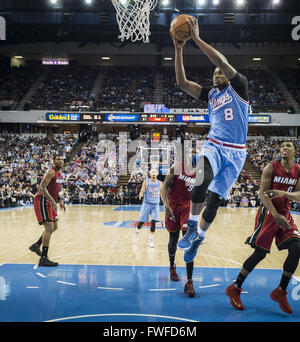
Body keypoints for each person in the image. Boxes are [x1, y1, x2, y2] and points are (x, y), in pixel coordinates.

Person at [174, 16, 249, 264]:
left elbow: (222, 61)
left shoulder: (240, 86)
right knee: (201, 178)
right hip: (214, 145)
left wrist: (196, 38)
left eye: (220, 72)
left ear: (228, 75)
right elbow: (182, 83)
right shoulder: (210, 94)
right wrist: (179, 50)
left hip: (236, 152)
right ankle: (192, 226)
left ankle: (198, 240)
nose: (216, 74)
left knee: (215, 200)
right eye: (213, 73)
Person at [225, 140, 300, 314]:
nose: (284, 148)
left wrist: (284, 193)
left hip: (285, 212)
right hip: (268, 212)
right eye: (282, 146)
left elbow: (298, 195)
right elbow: (262, 194)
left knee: (297, 248)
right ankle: (235, 287)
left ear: (294, 151)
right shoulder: (270, 168)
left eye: (288, 146)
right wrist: (275, 215)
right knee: (260, 253)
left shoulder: (297, 170)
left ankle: (281, 291)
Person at [161, 160, 197, 297]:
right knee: (173, 239)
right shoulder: (177, 167)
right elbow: (164, 186)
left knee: (188, 241)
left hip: (187, 207)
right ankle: (172, 267)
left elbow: (202, 194)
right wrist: (166, 206)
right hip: (172, 205)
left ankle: (189, 281)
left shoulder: (202, 172)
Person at [29, 155, 66, 267]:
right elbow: (41, 187)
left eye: (61, 159)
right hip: (43, 200)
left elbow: (55, 188)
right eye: (57, 159)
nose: (60, 161)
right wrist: (52, 200)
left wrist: (59, 201)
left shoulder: (60, 173)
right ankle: (43, 259)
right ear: (54, 161)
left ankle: (36, 245)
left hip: (51, 201)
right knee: (49, 228)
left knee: (54, 227)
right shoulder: (51, 172)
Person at [134, 169, 161, 248]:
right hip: (147, 203)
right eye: (152, 172)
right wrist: (141, 194)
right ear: (150, 174)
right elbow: (142, 190)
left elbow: (163, 192)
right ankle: (137, 231)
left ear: (157, 174)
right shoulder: (146, 181)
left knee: (154, 221)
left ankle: (151, 239)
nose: (153, 173)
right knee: (141, 222)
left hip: (155, 204)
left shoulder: (160, 183)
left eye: (155, 172)